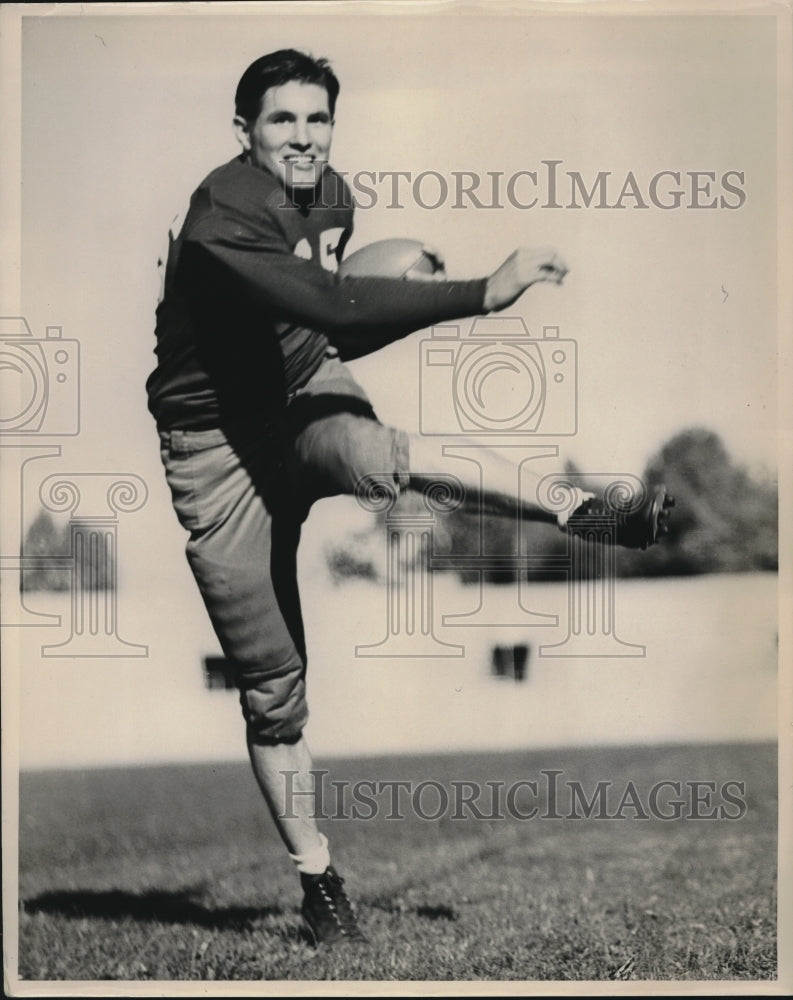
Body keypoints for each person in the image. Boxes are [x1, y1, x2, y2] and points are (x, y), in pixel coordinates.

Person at [146, 49, 673, 947]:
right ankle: (319, 884)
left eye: (318, 119)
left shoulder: (332, 198)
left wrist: (401, 284)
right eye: (282, 120)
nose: (304, 137)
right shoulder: (222, 210)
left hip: (303, 398)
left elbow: (320, 326)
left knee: (392, 457)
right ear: (245, 132)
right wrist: (478, 291)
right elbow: (335, 304)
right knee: (274, 695)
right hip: (215, 453)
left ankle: (583, 511)